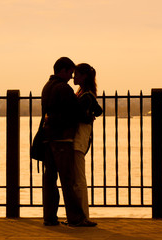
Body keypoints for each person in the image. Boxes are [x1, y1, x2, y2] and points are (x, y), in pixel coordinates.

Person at [41, 57, 96, 227]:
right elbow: (76, 111)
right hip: (62, 139)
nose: (71, 77)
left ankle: (49, 217)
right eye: (70, 72)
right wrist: (88, 117)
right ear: (63, 71)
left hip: (48, 138)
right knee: (68, 179)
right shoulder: (63, 88)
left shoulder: (47, 87)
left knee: (50, 179)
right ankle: (76, 218)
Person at [72, 63, 102, 223]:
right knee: (78, 179)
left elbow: (76, 115)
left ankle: (83, 216)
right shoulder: (87, 94)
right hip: (81, 140)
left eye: (76, 74)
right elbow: (99, 110)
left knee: (79, 180)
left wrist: (87, 116)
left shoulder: (85, 96)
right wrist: (90, 115)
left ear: (84, 76)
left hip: (78, 140)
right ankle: (80, 215)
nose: (73, 77)